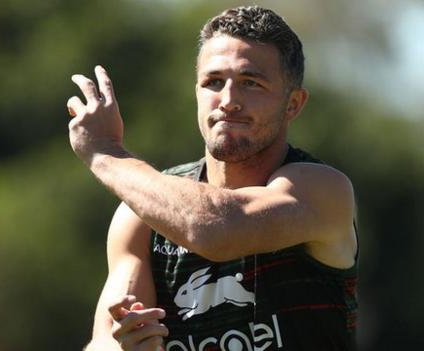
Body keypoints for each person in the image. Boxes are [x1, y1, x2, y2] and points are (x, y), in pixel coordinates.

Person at [67, 6, 358, 351]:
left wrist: (105, 153)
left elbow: (215, 228)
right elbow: (104, 340)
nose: (228, 101)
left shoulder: (322, 191)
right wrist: (127, 347)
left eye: (251, 83)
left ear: (293, 103)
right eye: (213, 82)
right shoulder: (140, 216)